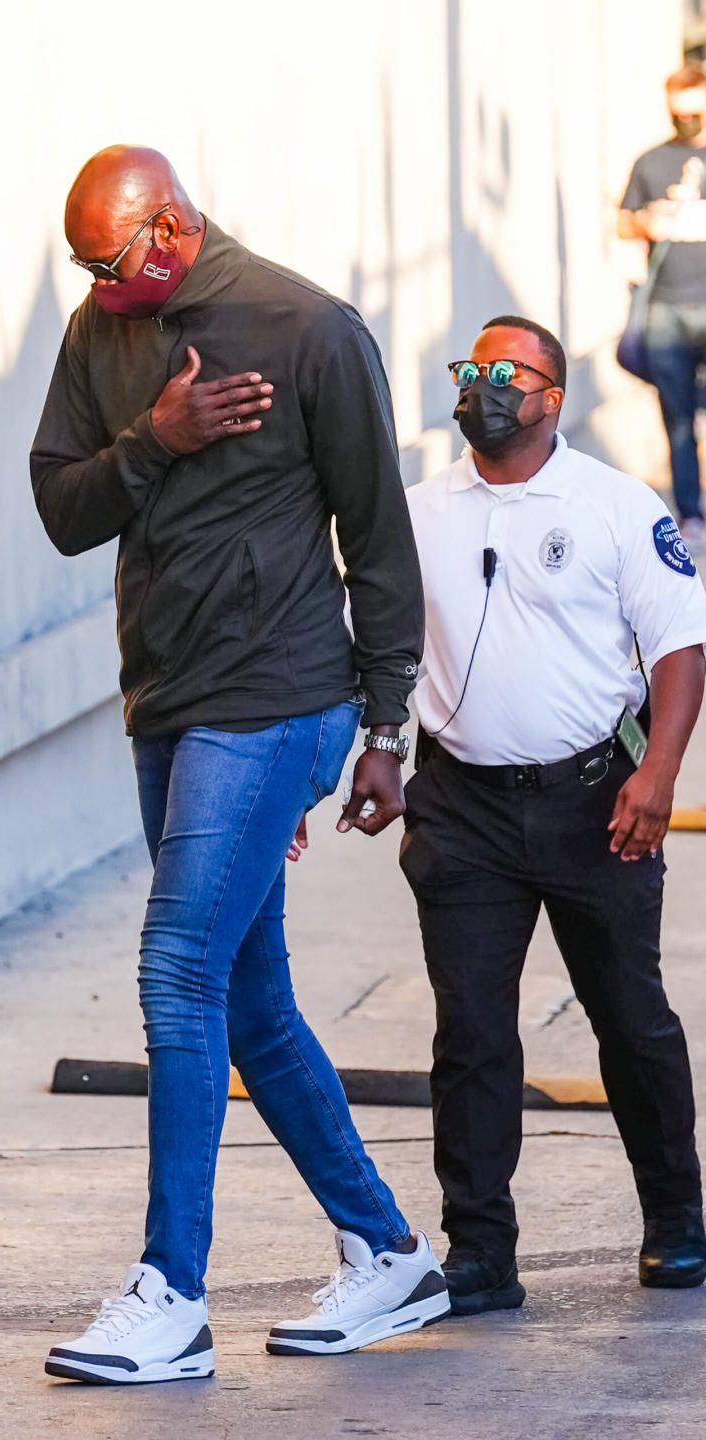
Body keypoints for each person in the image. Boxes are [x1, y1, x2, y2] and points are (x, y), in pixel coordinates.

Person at [30, 146, 447, 1385]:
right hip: (166, 698)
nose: (103, 286)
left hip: (278, 701)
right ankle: (389, 1253)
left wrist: (385, 729)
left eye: (114, 262)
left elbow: (378, 540)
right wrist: (155, 439)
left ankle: (173, 1295)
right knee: (248, 997)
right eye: (85, 269)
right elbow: (62, 509)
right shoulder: (102, 332)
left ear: (170, 226)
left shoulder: (308, 327)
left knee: (174, 971)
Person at [400, 314, 706, 1317]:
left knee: (632, 1019)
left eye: (505, 372)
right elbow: (380, 645)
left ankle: (675, 1222)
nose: (483, 386)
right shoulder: (416, 512)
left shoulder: (616, 504)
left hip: (593, 805)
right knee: (472, 1034)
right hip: (462, 810)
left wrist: (658, 773)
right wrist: (369, 753)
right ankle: (481, 1249)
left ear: (550, 399)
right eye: (471, 369)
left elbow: (676, 649)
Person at [619, 63, 706, 547]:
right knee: (676, 416)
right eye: (680, 113)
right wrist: (649, 220)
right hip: (666, 310)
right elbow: (623, 223)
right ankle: (690, 513)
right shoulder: (650, 162)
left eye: (695, 112)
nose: (687, 121)